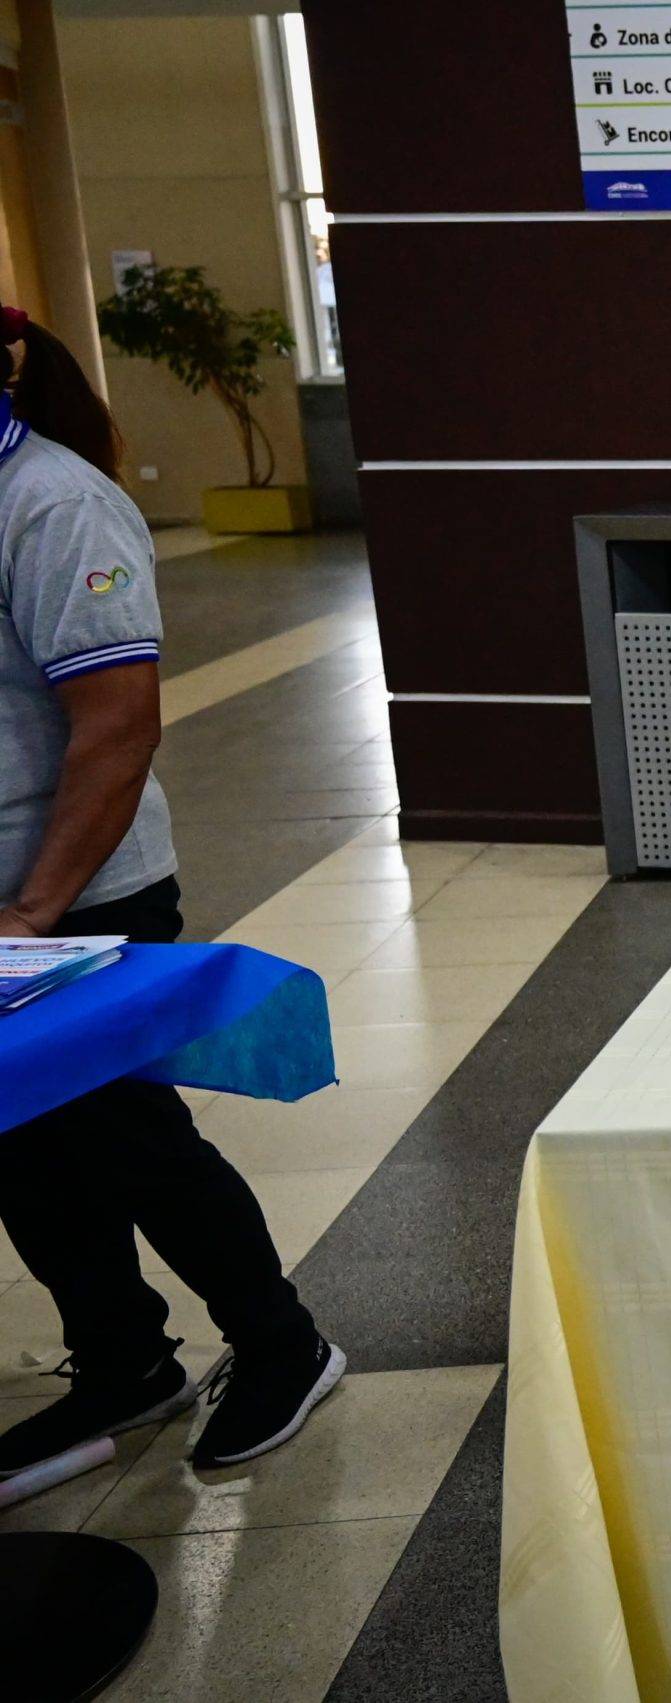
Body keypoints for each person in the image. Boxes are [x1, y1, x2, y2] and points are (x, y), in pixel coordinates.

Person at [0, 305, 342, 1477]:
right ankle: (120, 1361)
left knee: (124, 1136)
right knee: (21, 1146)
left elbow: (116, 726)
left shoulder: (52, 502)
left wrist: (37, 909)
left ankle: (282, 1342)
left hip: (73, 898)